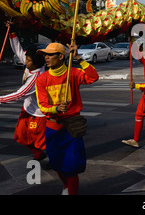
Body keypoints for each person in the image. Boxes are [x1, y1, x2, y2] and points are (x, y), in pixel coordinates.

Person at [35, 42, 98, 195]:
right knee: (57, 165)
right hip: (53, 128)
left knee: (71, 168)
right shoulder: (42, 79)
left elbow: (93, 77)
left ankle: (71, 190)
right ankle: (66, 186)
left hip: (72, 128)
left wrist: (78, 57)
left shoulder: (74, 73)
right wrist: (55, 109)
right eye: (45, 55)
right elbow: (42, 106)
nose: (46, 58)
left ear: (61, 56)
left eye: (50, 54)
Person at [0, 24, 47, 161]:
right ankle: (39, 154)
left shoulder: (36, 77)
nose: (26, 62)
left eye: (29, 60)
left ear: (36, 63)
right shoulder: (30, 64)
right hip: (27, 109)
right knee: (20, 136)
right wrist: (12, 32)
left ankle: (53, 160)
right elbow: (18, 50)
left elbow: (19, 94)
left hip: (38, 113)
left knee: (41, 142)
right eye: (27, 59)